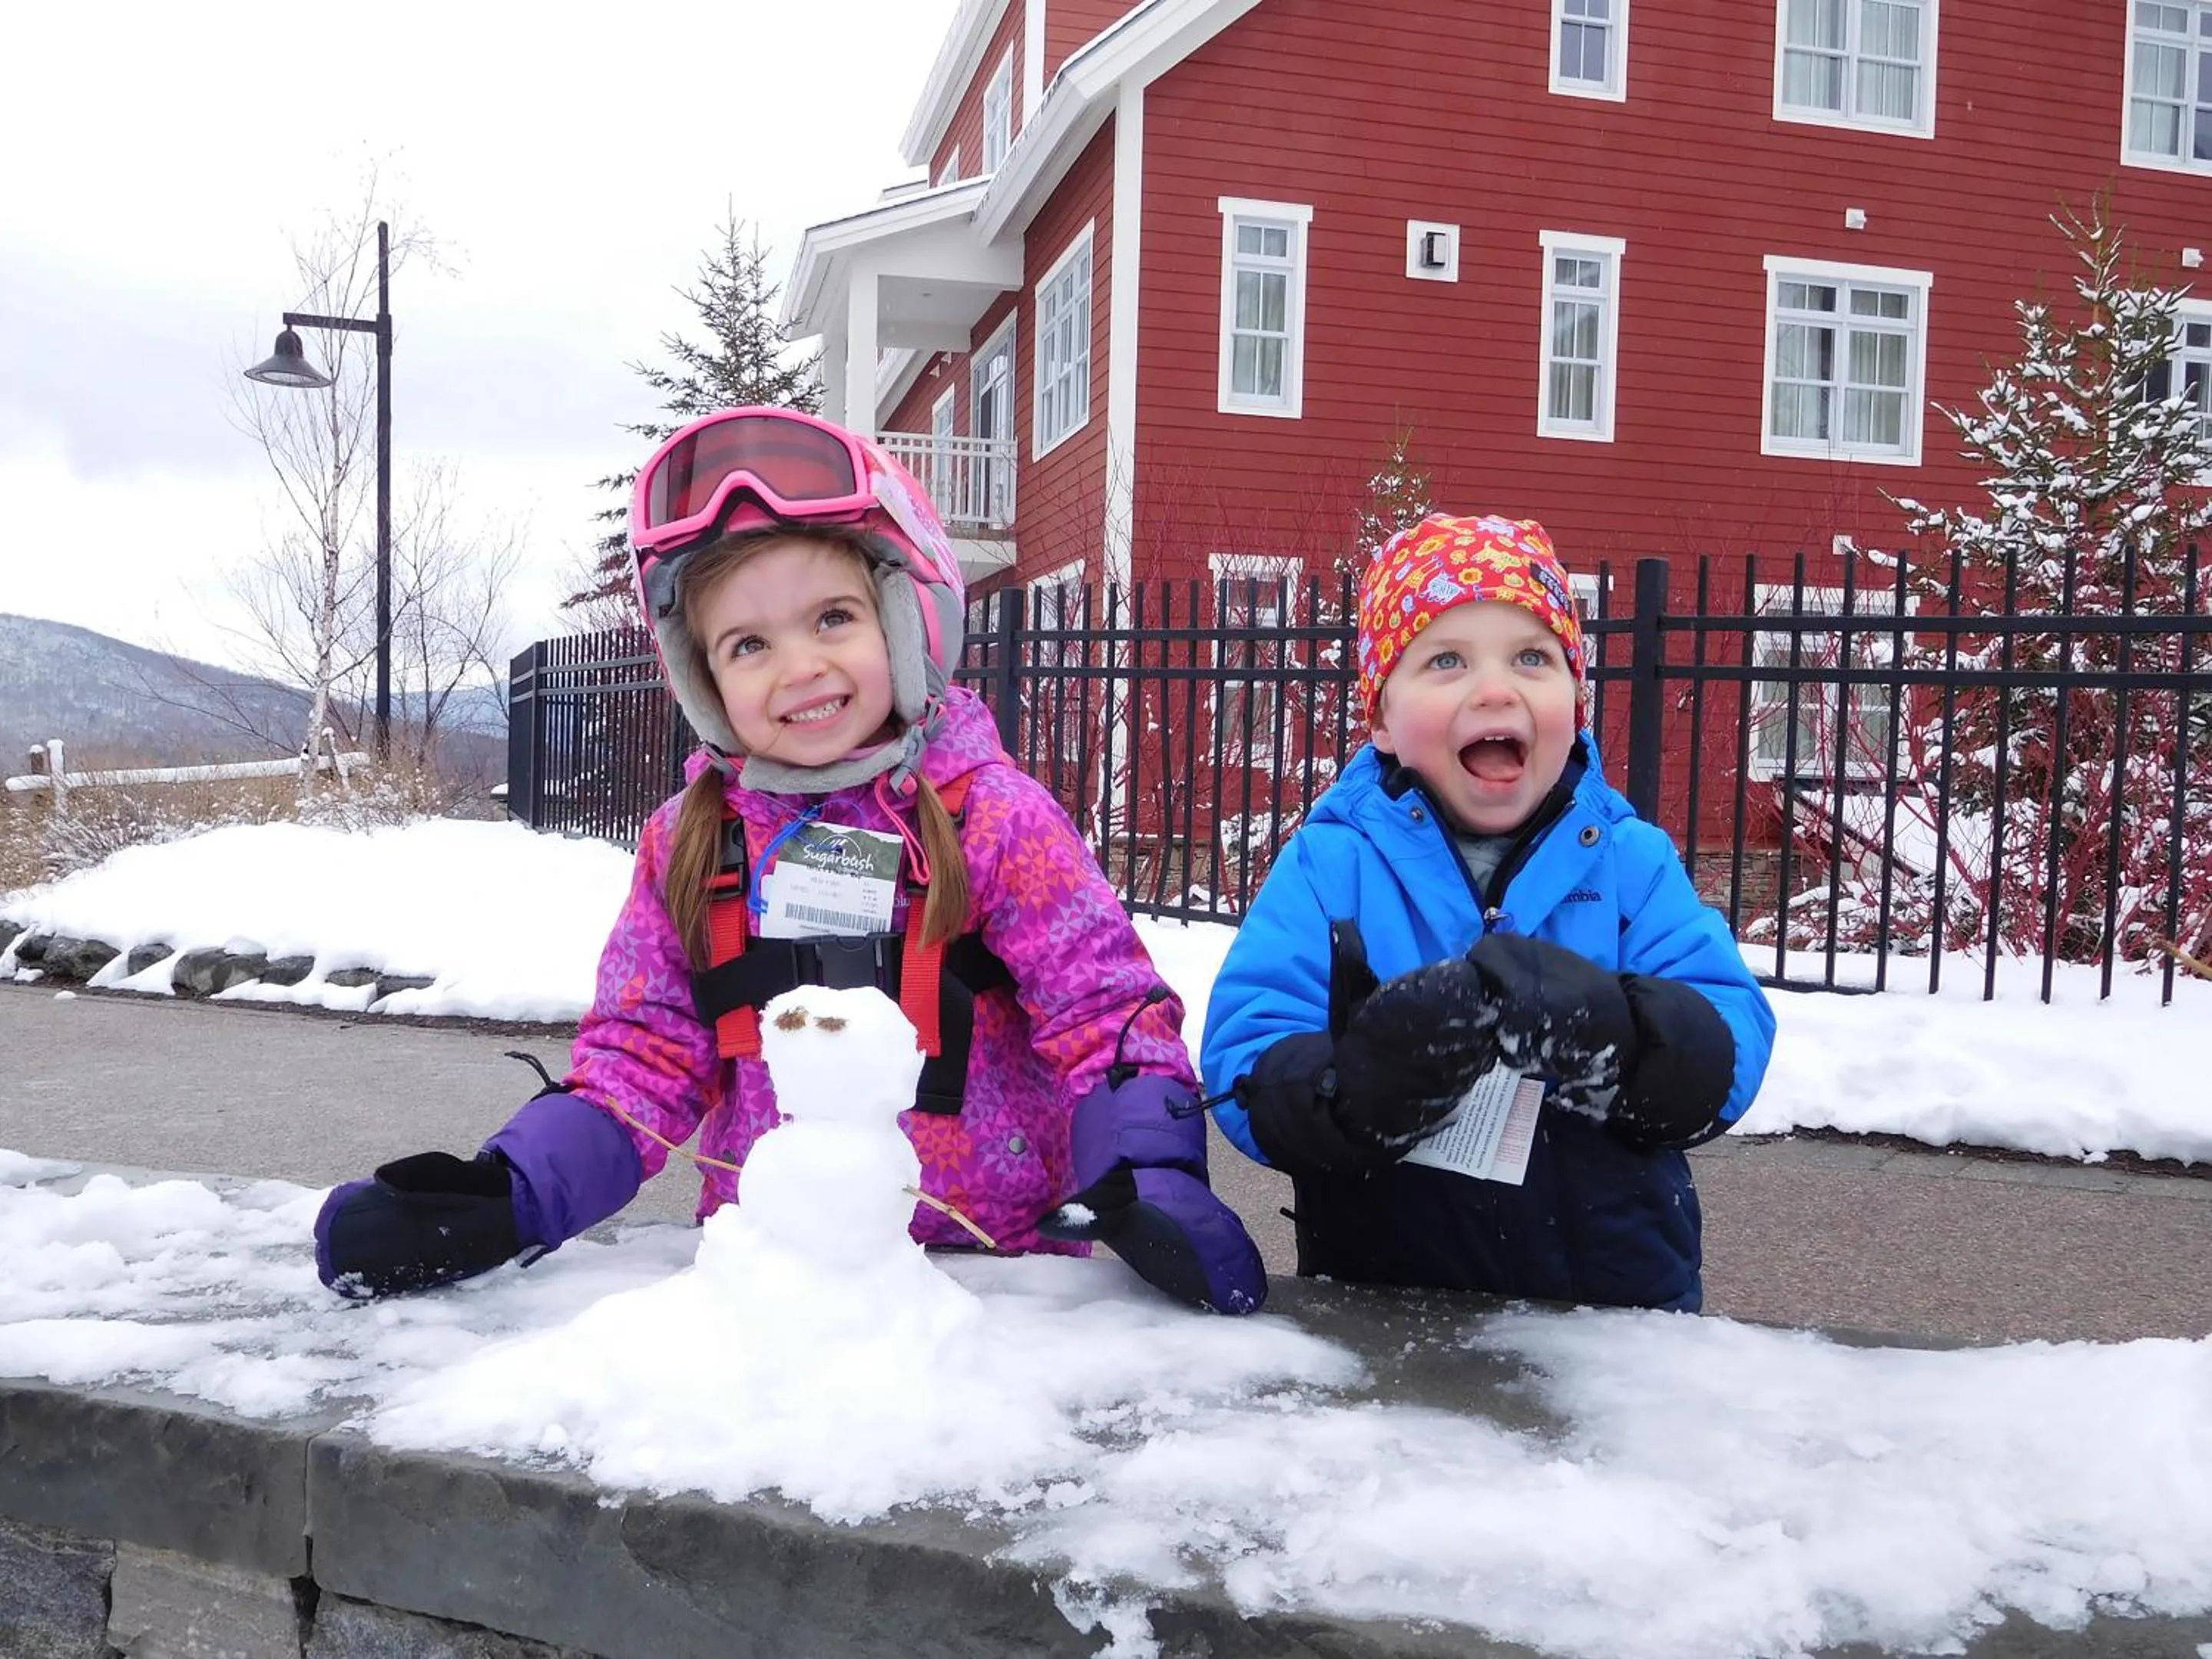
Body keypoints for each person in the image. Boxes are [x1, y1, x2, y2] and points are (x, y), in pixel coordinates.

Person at [316, 407, 1265, 1314]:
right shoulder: (694, 839)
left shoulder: (992, 818)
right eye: (749, 644)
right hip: (773, 1284)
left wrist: (1147, 1172)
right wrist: (510, 1195)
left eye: (833, 620)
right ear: (705, 680)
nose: (799, 667)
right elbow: (641, 1059)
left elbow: (1102, 1014)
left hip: (989, 1287)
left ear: (906, 618)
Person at [1201, 513, 1774, 1312]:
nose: (1496, 688)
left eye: (1533, 657)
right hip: (1384, 1304)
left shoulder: (1628, 859)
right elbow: (1245, 1050)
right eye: (1446, 661)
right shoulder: (1333, 864)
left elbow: (1733, 1032)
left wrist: (1624, 1034)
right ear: (1381, 721)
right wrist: (1353, 1084)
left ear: (1576, 701)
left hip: (1615, 1314)